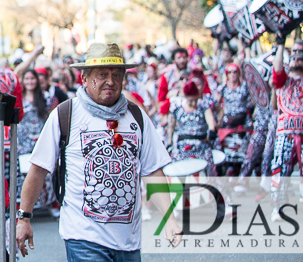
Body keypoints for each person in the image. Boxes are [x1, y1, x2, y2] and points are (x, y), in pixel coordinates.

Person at [17, 43, 178, 260]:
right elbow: (38, 170)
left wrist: (170, 219)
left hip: (128, 242)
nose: (110, 81)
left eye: (116, 75)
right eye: (102, 74)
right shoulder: (65, 114)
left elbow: (152, 171)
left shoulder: (137, 117)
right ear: (84, 78)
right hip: (83, 238)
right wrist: (24, 219)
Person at [269, 38, 303, 218]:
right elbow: (277, 69)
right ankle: (278, 208)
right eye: (294, 59)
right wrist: (281, 44)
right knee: (280, 171)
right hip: (286, 135)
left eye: (300, 60)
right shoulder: (282, 82)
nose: (297, 62)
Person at [17, 67, 59, 215]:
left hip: (42, 140)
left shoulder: (47, 97)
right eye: (26, 79)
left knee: (46, 174)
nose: (30, 82)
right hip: (24, 143)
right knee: (25, 175)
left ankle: (51, 204)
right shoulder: (18, 98)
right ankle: (26, 207)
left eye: (32, 78)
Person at [166, 80, 217, 175]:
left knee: (210, 169)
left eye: (195, 100)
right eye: (191, 100)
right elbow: (171, 125)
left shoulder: (203, 106)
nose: (194, 103)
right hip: (183, 146)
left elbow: (210, 120)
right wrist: (169, 142)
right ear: (185, 97)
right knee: (174, 169)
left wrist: (211, 130)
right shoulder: (177, 107)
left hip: (201, 145)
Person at [156, 47, 189, 115]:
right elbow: (161, 98)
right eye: (179, 58)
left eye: (184, 57)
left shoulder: (193, 72)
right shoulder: (167, 75)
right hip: (172, 110)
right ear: (173, 60)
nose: (182, 61)